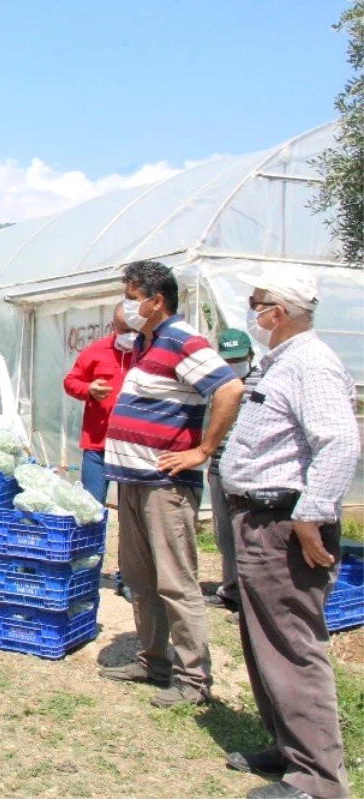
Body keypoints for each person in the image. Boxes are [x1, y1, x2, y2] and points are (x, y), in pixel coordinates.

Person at [219, 267, 358, 799]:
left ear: (277, 313)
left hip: (283, 525)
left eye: (256, 302)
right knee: (265, 643)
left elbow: (340, 443)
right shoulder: (283, 363)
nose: (250, 311)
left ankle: (318, 781)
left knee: (294, 647)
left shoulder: (311, 363)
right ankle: (289, 746)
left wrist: (310, 514)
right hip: (259, 521)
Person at [99, 260, 244, 709]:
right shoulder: (148, 342)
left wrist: (202, 450)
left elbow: (230, 389)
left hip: (165, 484)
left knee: (176, 583)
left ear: (156, 300)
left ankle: (193, 679)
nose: (126, 304)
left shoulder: (183, 341)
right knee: (141, 580)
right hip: (133, 481)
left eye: (131, 296)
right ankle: (153, 660)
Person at [62, 303, 134, 599]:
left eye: (133, 330)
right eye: (122, 330)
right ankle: (88, 570)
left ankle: (128, 577)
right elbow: (71, 382)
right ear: (113, 328)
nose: (128, 336)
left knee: (132, 517)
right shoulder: (96, 351)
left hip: (134, 449)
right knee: (92, 510)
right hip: (98, 446)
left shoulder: (149, 353)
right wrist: (88, 389)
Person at [203, 328, 261, 621]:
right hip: (219, 466)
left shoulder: (264, 382)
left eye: (239, 358)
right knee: (224, 534)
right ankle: (230, 591)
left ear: (250, 355)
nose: (234, 363)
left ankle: (251, 603)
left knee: (248, 537)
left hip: (250, 472)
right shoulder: (218, 383)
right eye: (229, 359)